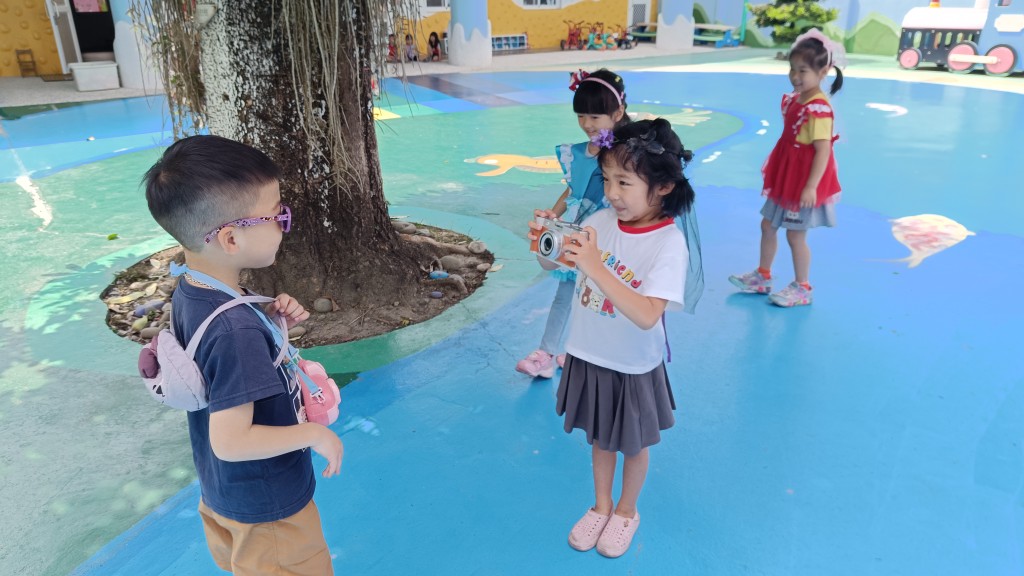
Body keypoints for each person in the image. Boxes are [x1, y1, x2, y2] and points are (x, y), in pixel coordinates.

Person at [143, 135, 344, 575]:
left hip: (224, 492)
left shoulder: (194, 289)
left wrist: (265, 318)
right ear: (231, 238)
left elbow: (216, 363)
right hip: (269, 514)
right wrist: (314, 434)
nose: (284, 224)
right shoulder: (235, 331)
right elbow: (231, 441)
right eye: (278, 215)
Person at [528, 118, 697, 558]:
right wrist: (545, 243)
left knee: (633, 444)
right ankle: (601, 505)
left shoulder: (667, 244)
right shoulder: (600, 221)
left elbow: (647, 314)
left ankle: (626, 511)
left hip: (633, 365)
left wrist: (596, 267)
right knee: (601, 438)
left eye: (624, 182)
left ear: (662, 186)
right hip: (589, 354)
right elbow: (555, 264)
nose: (612, 193)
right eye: (606, 179)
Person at [515, 68, 631, 379]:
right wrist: (551, 219)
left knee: (600, 298)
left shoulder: (624, 155)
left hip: (606, 237)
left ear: (618, 113)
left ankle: (585, 351)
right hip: (576, 233)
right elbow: (572, 191)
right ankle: (546, 354)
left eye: (595, 116)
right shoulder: (578, 153)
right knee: (566, 293)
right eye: (581, 116)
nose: (587, 124)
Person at [728, 29, 846, 307]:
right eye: (792, 69)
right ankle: (763, 275)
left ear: (823, 72)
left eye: (803, 71)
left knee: (795, 234)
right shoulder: (796, 98)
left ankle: (803, 287)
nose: (795, 76)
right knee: (767, 224)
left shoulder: (819, 109)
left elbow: (823, 150)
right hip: (785, 175)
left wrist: (811, 186)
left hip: (802, 180)